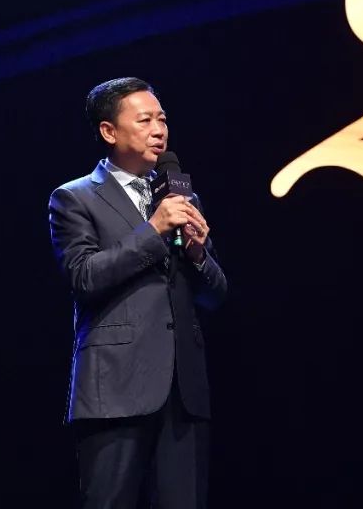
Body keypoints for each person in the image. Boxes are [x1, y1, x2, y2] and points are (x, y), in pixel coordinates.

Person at [48, 77, 228, 508]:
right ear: (109, 131)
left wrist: (198, 254)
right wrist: (153, 230)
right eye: (145, 120)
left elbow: (216, 295)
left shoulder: (183, 197)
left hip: (183, 391)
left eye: (162, 120)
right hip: (114, 389)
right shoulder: (74, 198)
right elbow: (84, 277)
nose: (159, 130)